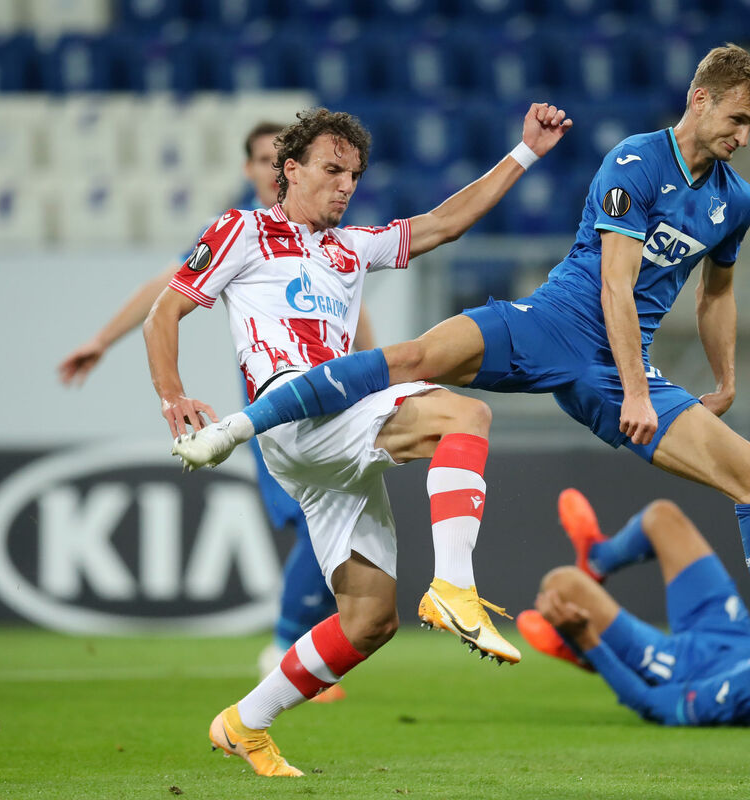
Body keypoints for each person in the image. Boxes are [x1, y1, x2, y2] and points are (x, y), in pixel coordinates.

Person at [171, 44, 750, 707]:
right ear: (699, 99)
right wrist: (636, 391)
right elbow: (614, 285)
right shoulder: (636, 161)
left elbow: (718, 293)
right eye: (737, 119)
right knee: (413, 359)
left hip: (621, 370)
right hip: (552, 325)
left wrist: (725, 377)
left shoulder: (736, 200)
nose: (743, 137)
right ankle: (239, 429)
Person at [145, 103, 571, 777]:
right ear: (290, 170)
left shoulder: (352, 247)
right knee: (465, 416)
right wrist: (173, 395)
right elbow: (163, 312)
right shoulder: (241, 231)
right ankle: (454, 584)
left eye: (354, 175)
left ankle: (244, 724)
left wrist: (524, 154)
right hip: (295, 419)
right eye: (331, 170)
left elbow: (444, 223)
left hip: (329, 441)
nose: (345, 185)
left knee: (369, 620)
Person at [57, 122, 355, 697]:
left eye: (282, 156)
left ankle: (296, 645)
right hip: (274, 404)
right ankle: (285, 647)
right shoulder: (238, 229)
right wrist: (102, 339)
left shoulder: (327, 237)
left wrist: (369, 371)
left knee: (330, 524)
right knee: (313, 521)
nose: (275, 168)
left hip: (334, 398)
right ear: (253, 170)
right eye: (264, 159)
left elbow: (350, 312)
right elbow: (165, 291)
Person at [516, 488, 750, 727]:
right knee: (663, 516)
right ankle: (597, 560)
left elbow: (651, 703)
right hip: (731, 634)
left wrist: (589, 639)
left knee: (563, 586)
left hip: (682, 666)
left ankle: (580, 648)